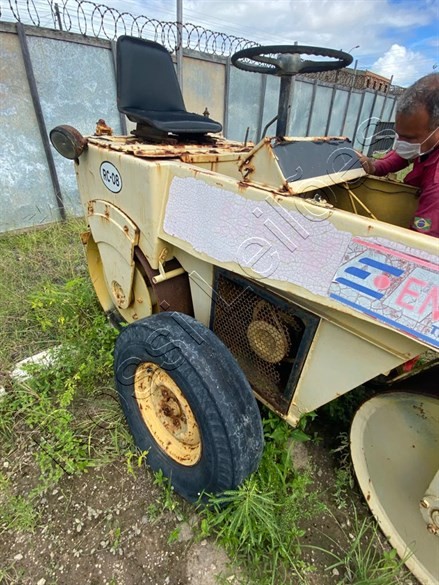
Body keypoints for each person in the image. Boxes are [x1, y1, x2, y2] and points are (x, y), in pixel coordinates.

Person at [358, 73, 439, 237]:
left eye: (409, 138)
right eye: (399, 135)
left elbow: (421, 241)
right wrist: (374, 166)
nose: (400, 143)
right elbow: (403, 155)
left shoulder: (436, 185)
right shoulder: (426, 143)